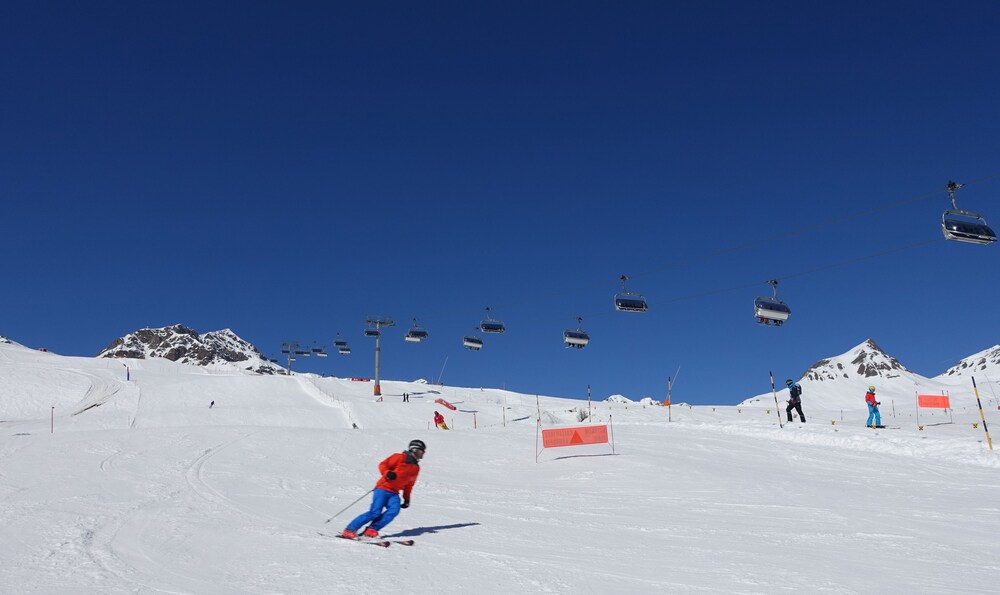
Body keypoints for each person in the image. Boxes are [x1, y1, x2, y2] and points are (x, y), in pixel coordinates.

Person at [341, 439, 425, 539]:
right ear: (414, 449)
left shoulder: (416, 467)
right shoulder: (399, 457)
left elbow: (409, 485)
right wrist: (387, 473)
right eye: (421, 450)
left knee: (394, 510)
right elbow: (382, 465)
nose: (423, 453)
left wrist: (407, 499)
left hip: (394, 493)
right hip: (382, 488)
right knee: (375, 512)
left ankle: (372, 529)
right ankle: (349, 530)